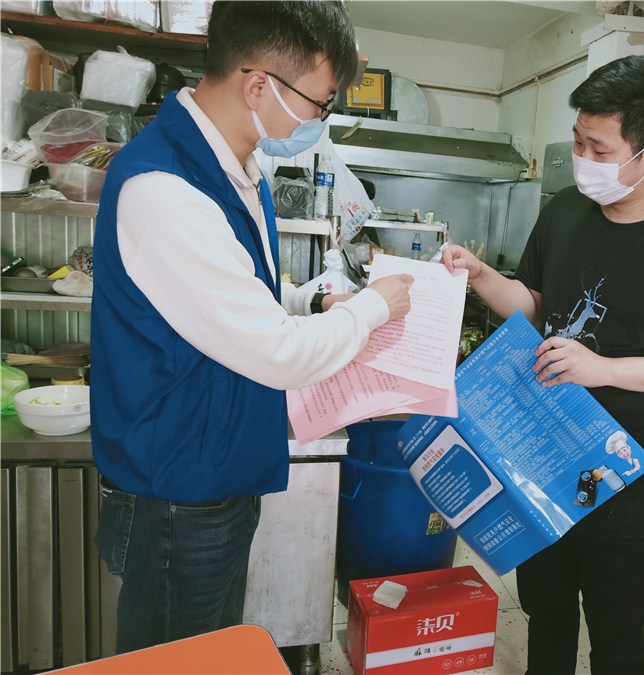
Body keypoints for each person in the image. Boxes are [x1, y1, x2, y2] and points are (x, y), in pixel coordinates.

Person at [90, 1, 413, 655]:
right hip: (177, 493)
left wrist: (313, 301)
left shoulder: (240, 169)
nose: (319, 121)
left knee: (211, 651)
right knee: (175, 661)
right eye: (321, 102)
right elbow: (277, 352)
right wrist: (373, 308)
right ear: (259, 85)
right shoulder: (167, 191)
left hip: (220, 467)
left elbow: (242, 295)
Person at [442, 55, 644, 675]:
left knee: (617, 642)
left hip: (626, 482)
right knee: (546, 618)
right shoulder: (565, 211)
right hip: (542, 464)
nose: (582, 159)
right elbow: (537, 307)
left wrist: (606, 369)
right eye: (577, 142)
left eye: (598, 148)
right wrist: (482, 276)